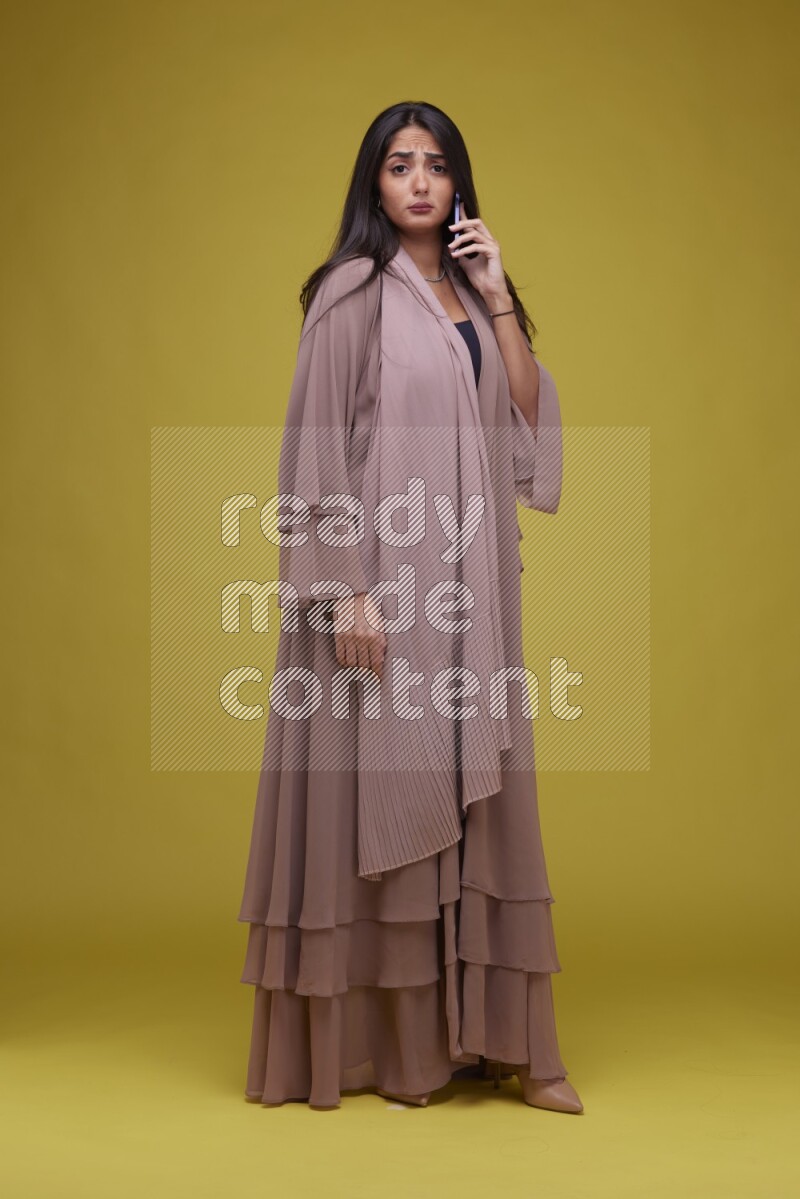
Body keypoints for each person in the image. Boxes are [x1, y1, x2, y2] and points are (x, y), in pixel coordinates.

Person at [237, 100, 584, 1115]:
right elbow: (312, 448)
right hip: (376, 586)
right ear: (373, 183)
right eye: (399, 164)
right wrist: (344, 589)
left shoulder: (475, 297)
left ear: (458, 182)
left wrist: (497, 294)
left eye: (436, 164)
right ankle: (394, 1053)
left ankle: (505, 1043)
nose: (420, 182)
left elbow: (523, 418)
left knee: (482, 789)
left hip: (470, 589)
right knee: (378, 798)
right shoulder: (350, 294)